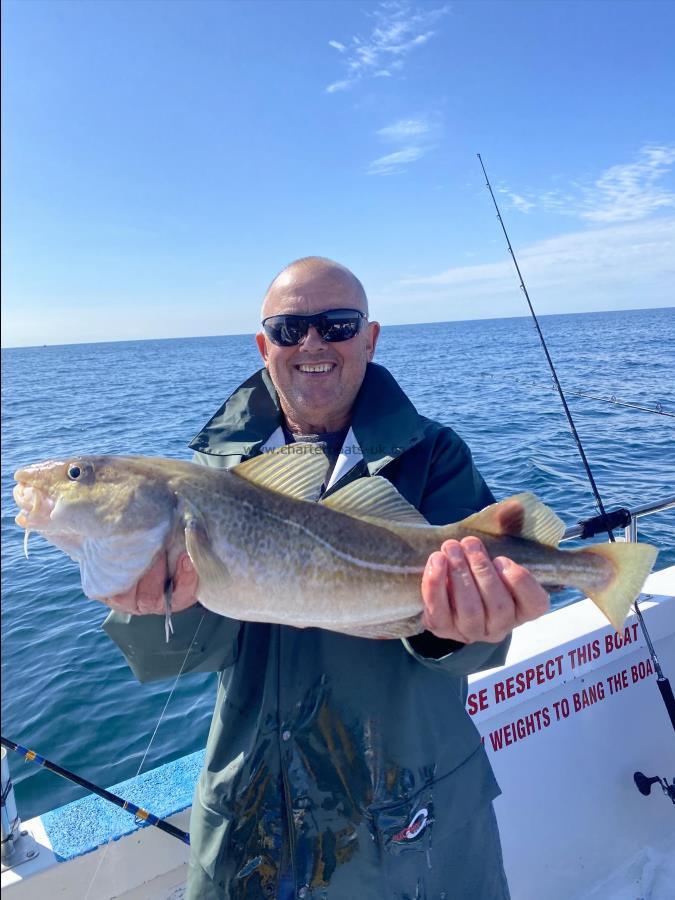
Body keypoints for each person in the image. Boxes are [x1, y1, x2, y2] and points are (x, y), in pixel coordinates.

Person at [103, 257, 549, 899]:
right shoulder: (210, 477)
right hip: (255, 809)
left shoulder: (435, 458)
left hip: (410, 804)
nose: (313, 342)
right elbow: (174, 658)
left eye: (337, 325)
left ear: (369, 339)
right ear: (265, 347)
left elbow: (473, 643)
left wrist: (456, 631)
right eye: (289, 329)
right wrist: (151, 607)